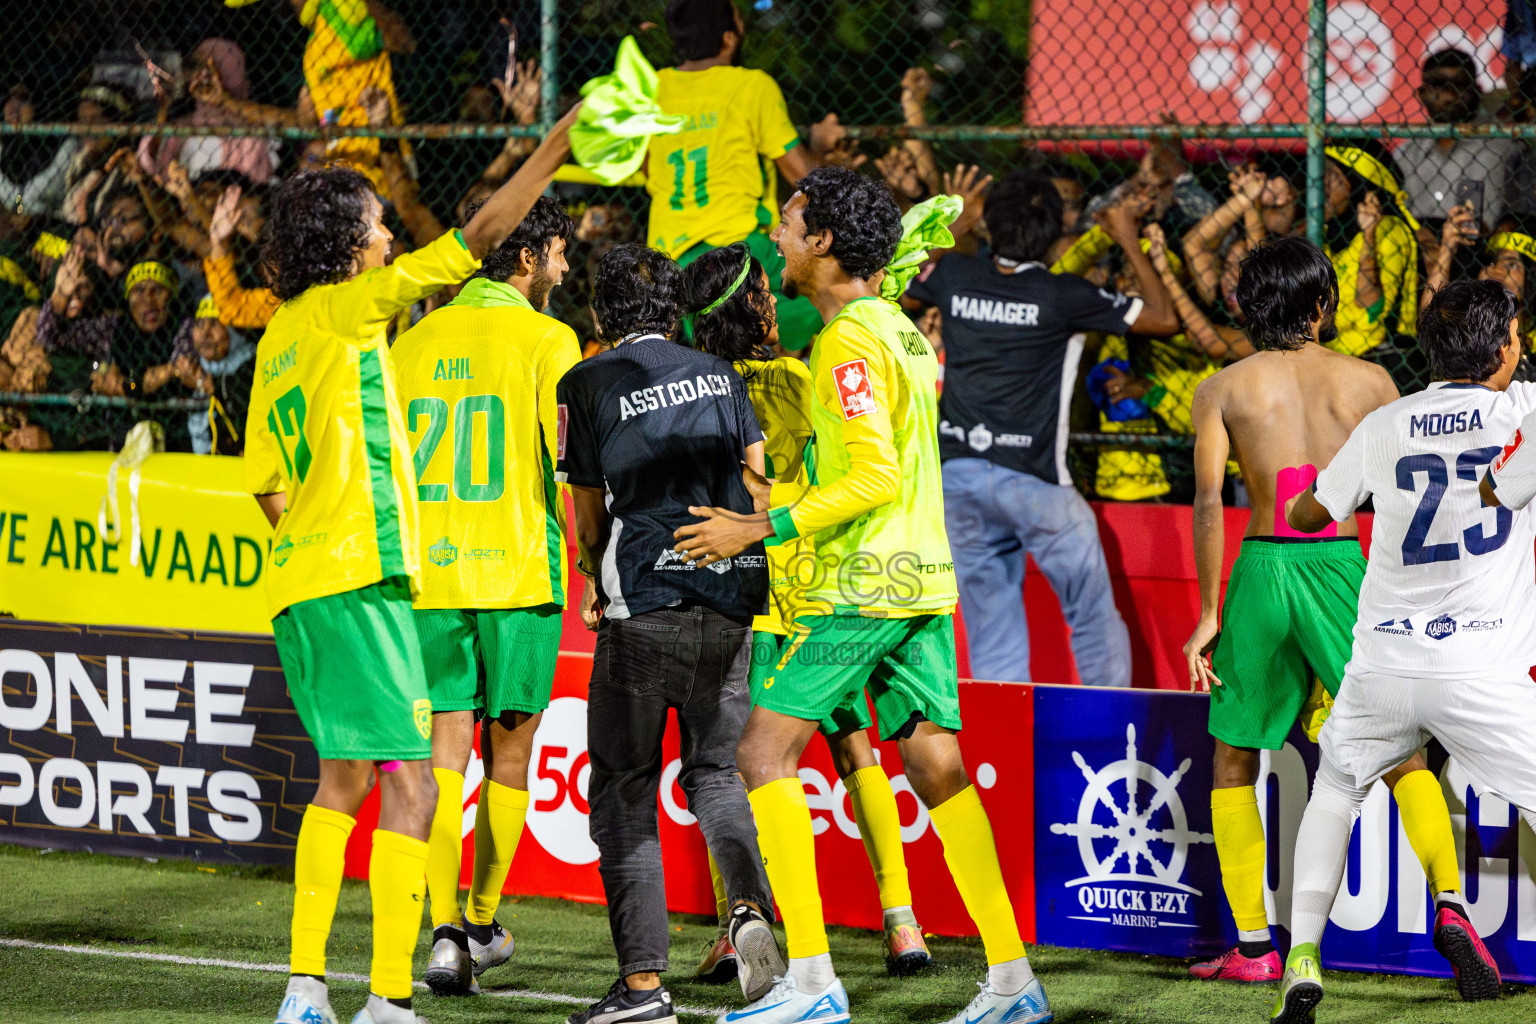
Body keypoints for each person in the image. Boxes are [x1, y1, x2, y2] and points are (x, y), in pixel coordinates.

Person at [674, 166, 1048, 1024]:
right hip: (923, 579)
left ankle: (808, 986)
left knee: (762, 755)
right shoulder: (899, 332)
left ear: (826, 242)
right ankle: (1012, 981)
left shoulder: (845, 341)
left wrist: (755, 528)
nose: (777, 235)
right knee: (936, 763)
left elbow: (873, 474)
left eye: (790, 222)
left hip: (866, 583)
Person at [243, 104, 578, 1024]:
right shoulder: (349, 312)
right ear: (350, 245)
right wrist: (552, 149)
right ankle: (388, 997)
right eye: (380, 224)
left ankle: (307, 989)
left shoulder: (278, 338)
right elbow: (476, 239)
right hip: (362, 579)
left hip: (304, 585)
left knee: (345, 781)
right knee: (416, 780)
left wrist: (318, 533)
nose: (393, 235)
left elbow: (266, 484)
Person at [1182, 237, 1476, 987]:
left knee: (1234, 756)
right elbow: (1419, 490)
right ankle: (1449, 901)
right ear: (1322, 305)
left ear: (1248, 306)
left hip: (1258, 571)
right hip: (1344, 567)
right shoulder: (1372, 381)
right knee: (1402, 749)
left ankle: (1254, 948)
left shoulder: (1222, 388)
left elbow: (1211, 501)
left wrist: (1208, 611)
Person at [1276, 278, 1534, 1020]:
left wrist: (1319, 487)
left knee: (1337, 787)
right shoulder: (1526, 409)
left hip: (1383, 665)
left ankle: (1302, 956)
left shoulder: (1387, 424)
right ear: (1505, 348)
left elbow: (1308, 513)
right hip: (1480, 670)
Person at [684, 243, 934, 980]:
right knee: (857, 750)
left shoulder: (701, 392)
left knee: (745, 766)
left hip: (750, 602)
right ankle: (902, 922)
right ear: (756, 307)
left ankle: (753, 923)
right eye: (764, 288)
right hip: (825, 590)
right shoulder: (801, 374)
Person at [557, 243, 786, 1024]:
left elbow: (588, 510)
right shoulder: (720, 375)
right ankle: (749, 911)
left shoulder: (586, 382)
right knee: (717, 771)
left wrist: (595, 578)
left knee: (623, 789)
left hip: (646, 603)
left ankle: (645, 989)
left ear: (599, 315)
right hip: (730, 596)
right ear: (676, 312)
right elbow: (757, 480)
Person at [389, 195, 580, 995]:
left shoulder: (413, 340)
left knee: (441, 755)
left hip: (428, 576)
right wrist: (598, 563)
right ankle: (479, 919)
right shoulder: (548, 338)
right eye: (562, 253)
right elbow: (571, 467)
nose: (567, 270)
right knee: (510, 754)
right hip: (515, 571)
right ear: (528, 257)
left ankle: (440, 935)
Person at [903, 170, 1175, 684]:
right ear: (1053, 233)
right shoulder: (1063, 295)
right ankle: (1110, 733)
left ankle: (1001, 750)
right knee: (1092, 614)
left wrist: (961, 221)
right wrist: (1126, 239)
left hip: (957, 477)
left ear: (990, 225)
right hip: (1035, 481)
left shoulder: (954, 278)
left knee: (991, 624)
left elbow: (903, 282)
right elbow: (1163, 317)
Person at [649, 0, 850, 352]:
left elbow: (647, 167)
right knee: (839, 287)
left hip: (673, 258)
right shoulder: (752, 86)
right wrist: (819, 147)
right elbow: (805, 177)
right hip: (742, 250)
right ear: (728, 39)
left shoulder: (652, 89)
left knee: (722, 351)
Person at [1398, 48, 1519, 230]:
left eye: (1459, 84)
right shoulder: (1405, 154)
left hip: (1478, 254)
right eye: (1439, 84)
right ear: (1422, 93)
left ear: (1477, 91)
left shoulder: (1502, 146)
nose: (1450, 94)